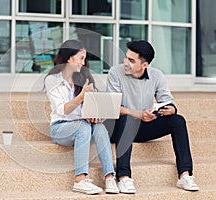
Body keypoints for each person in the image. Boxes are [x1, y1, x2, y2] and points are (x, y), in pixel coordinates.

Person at [106, 40, 199, 194]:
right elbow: (112, 107)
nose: (125, 63)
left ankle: (185, 175)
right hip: (119, 128)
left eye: (131, 60)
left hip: (143, 125)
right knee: (126, 118)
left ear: (145, 64)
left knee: (178, 120)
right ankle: (123, 177)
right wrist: (137, 114)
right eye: (125, 58)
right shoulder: (115, 73)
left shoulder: (157, 75)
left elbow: (166, 99)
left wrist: (171, 109)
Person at [44, 39, 119, 195]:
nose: (83, 63)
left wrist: (96, 116)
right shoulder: (52, 80)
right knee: (83, 127)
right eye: (81, 58)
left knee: (98, 127)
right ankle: (80, 180)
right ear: (69, 58)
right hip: (60, 128)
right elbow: (63, 110)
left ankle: (110, 177)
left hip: (83, 127)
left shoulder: (83, 78)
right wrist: (82, 96)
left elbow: (93, 109)